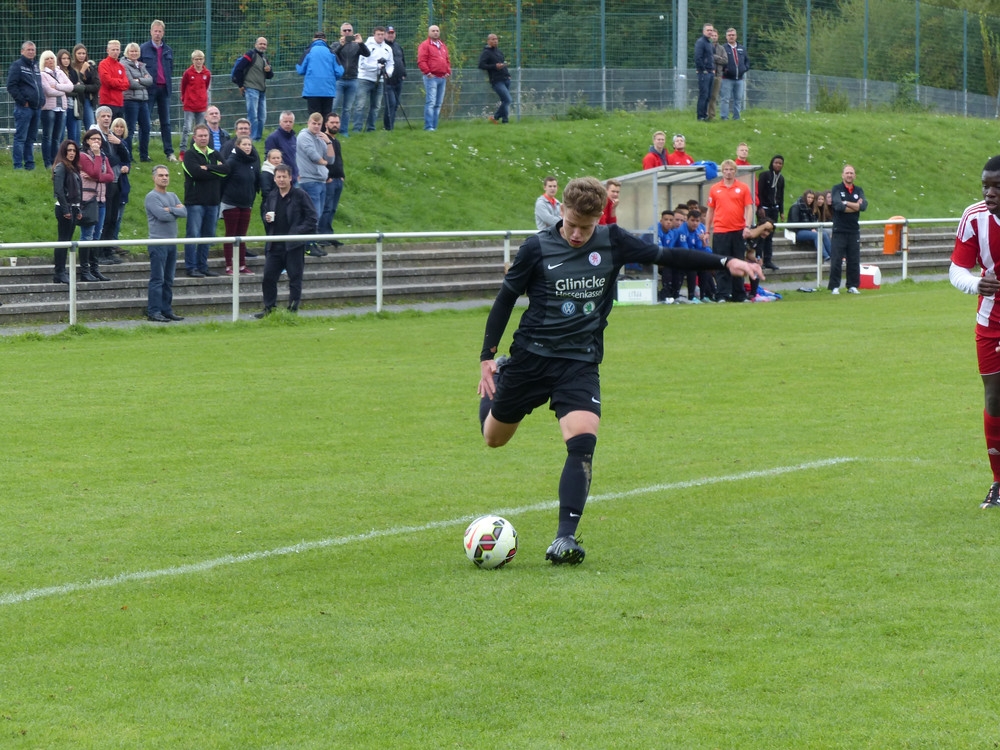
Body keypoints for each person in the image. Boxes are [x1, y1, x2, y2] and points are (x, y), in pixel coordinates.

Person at [476, 176, 762, 565]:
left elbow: (667, 256)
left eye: (586, 227)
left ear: (599, 218)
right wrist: (488, 356)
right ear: (562, 211)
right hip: (531, 358)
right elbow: (506, 298)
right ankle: (501, 377)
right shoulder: (536, 248)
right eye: (572, 224)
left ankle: (564, 538)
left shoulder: (612, 241)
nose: (577, 234)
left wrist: (725, 261)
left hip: (579, 362)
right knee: (494, 439)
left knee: (583, 440)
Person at [950, 155, 1000, 508]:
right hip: (991, 320)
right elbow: (957, 269)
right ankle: (999, 482)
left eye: (997, 187)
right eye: (985, 186)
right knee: (995, 397)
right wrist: (976, 284)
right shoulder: (974, 217)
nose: (989, 192)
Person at [256, 164, 318, 316]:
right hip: (274, 245)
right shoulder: (272, 196)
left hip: (293, 246)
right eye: (278, 177)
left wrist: (296, 232)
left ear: (290, 178)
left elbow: (312, 218)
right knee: (268, 278)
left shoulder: (300, 195)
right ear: (274, 179)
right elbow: (265, 214)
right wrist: (266, 219)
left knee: (295, 278)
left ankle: (292, 310)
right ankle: (269, 308)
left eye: (284, 176)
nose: (281, 179)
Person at [183, 123, 229, 277]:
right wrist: (215, 169)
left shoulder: (215, 153)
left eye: (205, 135)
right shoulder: (189, 155)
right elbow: (196, 173)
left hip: (213, 201)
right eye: (200, 136)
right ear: (194, 137)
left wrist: (208, 167)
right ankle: (191, 267)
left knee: (207, 235)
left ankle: (203, 266)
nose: (203, 138)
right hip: (195, 202)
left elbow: (226, 170)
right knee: (193, 235)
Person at [705, 159, 755, 302]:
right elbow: (710, 210)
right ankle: (722, 294)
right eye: (726, 170)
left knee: (738, 262)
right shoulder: (715, 188)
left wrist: (747, 226)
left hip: (738, 230)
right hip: (720, 231)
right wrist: (707, 231)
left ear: (735, 171)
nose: (728, 172)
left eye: (731, 169)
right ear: (722, 172)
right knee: (722, 263)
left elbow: (749, 208)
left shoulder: (743, 188)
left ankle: (739, 295)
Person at [144, 164, 187, 322]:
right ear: (154, 178)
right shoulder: (151, 197)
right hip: (158, 242)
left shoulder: (172, 195)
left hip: (172, 242)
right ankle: (154, 311)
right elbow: (162, 216)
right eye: (161, 175)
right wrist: (174, 210)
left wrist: (170, 209)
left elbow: (184, 212)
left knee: (169, 279)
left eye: (166, 175)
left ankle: (166, 309)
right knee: (158, 278)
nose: (164, 178)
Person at [77, 128, 114, 281]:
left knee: (96, 236)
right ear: (87, 141)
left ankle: (94, 269)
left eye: (99, 139)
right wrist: (97, 157)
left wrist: (97, 177)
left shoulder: (104, 156)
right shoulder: (83, 156)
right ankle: (84, 271)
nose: (97, 142)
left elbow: (110, 176)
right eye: (93, 139)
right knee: (87, 235)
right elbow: (94, 172)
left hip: (101, 200)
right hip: (88, 200)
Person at [296, 111, 334, 256]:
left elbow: (331, 159)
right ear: (308, 123)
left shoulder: (320, 137)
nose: (316, 126)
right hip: (309, 181)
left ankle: (313, 242)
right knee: (313, 214)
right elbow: (314, 156)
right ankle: (308, 244)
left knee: (318, 214)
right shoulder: (304, 136)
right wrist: (323, 162)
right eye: (314, 123)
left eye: (319, 124)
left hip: (321, 181)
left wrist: (328, 141)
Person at [221, 135, 259, 275]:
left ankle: (242, 265)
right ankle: (229, 265)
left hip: (246, 204)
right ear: (238, 146)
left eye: (249, 144)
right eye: (244, 144)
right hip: (231, 203)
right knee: (231, 235)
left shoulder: (251, 162)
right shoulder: (231, 162)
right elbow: (223, 181)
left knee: (242, 236)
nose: (248, 147)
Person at [139, 20, 176, 161]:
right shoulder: (143, 49)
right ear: (151, 32)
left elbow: (170, 68)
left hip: (164, 89)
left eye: (160, 31)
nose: (157, 34)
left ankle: (169, 153)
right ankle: (144, 153)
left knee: (166, 122)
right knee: (145, 122)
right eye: (155, 31)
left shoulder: (168, 50)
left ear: (163, 33)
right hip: (149, 90)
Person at [829, 164, 868, 294]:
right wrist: (855, 206)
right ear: (842, 175)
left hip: (853, 230)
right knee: (836, 260)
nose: (849, 175)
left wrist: (846, 203)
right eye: (847, 173)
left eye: (851, 173)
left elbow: (863, 206)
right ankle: (834, 286)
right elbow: (838, 206)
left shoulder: (859, 190)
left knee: (854, 260)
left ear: (855, 175)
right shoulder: (836, 189)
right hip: (839, 230)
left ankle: (852, 285)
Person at [7, 41, 43, 170]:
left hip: (36, 107)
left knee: (31, 138)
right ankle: (18, 165)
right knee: (20, 137)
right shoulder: (17, 66)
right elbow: (11, 86)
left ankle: (30, 165)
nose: (31, 52)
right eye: (28, 50)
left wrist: (42, 101)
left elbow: (39, 86)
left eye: (33, 50)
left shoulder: (36, 66)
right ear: (22, 51)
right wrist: (23, 101)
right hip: (24, 108)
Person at [52, 139, 83, 284]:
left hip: (73, 207)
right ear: (63, 152)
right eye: (69, 150)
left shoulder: (74, 167)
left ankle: (61, 271)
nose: (72, 153)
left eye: (74, 150)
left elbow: (78, 191)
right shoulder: (61, 167)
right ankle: (59, 271)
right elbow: (58, 190)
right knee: (63, 240)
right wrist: (66, 209)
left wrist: (78, 208)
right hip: (65, 207)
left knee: (67, 240)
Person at [331, 23, 370, 137]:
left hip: (353, 79)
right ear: (341, 32)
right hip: (339, 80)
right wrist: (341, 45)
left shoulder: (356, 45)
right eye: (345, 30)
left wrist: (361, 43)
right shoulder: (336, 44)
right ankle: (329, 130)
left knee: (347, 108)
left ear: (352, 32)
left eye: (349, 30)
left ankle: (344, 131)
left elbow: (367, 54)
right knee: (333, 106)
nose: (347, 32)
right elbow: (331, 56)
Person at [353, 27, 393, 134]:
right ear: (374, 35)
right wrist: (377, 67)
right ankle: (357, 128)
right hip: (364, 79)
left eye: (382, 34)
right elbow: (362, 64)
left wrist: (388, 73)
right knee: (360, 105)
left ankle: (371, 128)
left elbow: (391, 63)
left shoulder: (388, 48)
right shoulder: (367, 46)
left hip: (380, 80)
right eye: (378, 34)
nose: (380, 36)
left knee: (376, 106)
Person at [232, 37, 272, 141]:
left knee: (262, 117)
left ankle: (258, 138)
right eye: (260, 44)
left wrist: (269, 70)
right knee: (252, 115)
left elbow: (270, 76)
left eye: (264, 44)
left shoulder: (264, 58)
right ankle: (251, 138)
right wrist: (241, 85)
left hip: (262, 90)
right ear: (255, 45)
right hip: (250, 89)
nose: (262, 46)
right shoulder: (250, 55)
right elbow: (238, 70)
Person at [39, 50, 73, 169]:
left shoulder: (60, 72)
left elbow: (70, 87)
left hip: (61, 109)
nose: (50, 61)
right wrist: (63, 91)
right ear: (43, 61)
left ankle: (56, 161)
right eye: (47, 59)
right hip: (49, 109)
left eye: (52, 58)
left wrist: (58, 86)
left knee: (57, 137)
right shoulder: (42, 74)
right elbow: (48, 91)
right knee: (47, 136)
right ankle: (47, 162)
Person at [296, 31, 342, 119]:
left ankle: (315, 129)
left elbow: (300, 69)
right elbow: (340, 71)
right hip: (328, 90)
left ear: (313, 39)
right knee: (326, 117)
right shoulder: (331, 52)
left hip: (312, 90)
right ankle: (325, 129)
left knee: (315, 118)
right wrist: (331, 79)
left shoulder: (308, 51)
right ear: (325, 40)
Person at [121, 42, 152, 161]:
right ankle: (128, 156)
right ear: (127, 52)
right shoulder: (124, 65)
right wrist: (143, 81)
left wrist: (138, 80)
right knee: (130, 129)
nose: (134, 53)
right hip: (130, 100)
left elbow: (150, 80)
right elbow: (130, 83)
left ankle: (144, 155)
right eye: (132, 51)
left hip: (143, 100)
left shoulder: (141, 65)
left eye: (136, 51)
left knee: (146, 128)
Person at [319, 112, 345, 247]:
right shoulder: (323, 140)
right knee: (326, 208)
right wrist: (327, 177)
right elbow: (321, 159)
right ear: (326, 124)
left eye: (337, 122)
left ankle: (329, 234)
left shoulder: (336, 141)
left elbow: (339, 159)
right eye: (332, 122)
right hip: (328, 181)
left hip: (338, 180)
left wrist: (342, 176)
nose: (335, 125)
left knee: (333, 209)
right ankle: (322, 235)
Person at [417, 25, 451, 131]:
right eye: (433, 31)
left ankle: (434, 126)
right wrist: (428, 72)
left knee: (438, 103)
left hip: (442, 77)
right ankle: (428, 126)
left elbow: (447, 60)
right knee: (431, 102)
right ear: (429, 32)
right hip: (431, 77)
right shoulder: (425, 45)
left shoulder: (442, 45)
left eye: (437, 31)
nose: (435, 32)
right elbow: (421, 61)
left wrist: (448, 71)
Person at [179, 49, 210, 158]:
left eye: (200, 59)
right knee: (187, 128)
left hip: (201, 106)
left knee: (200, 130)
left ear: (204, 60)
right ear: (193, 60)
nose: (198, 61)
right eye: (196, 59)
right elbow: (183, 86)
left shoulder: (207, 73)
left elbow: (206, 86)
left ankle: (197, 151)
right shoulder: (188, 73)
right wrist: (184, 98)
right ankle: (183, 151)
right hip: (189, 105)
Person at [756, 154, 784, 269]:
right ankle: (758, 259)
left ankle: (768, 260)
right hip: (764, 209)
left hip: (774, 210)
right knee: (761, 235)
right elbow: (759, 192)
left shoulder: (781, 178)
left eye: (780, 163)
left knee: (770, 236)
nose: (778, 165)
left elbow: (781, 195)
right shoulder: (764, 175)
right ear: (772, 163)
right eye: (776, 163)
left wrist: (781, 211)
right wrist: (759, 207)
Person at [788, 190, 831, 260]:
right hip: (797, 231)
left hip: (808, 229)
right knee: (817, 235)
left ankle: (833, 255)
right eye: (809, 197)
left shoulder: (810, 207)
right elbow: (794, 224)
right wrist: (810, 229)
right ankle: (825, 256)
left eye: (812, 198)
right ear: (805, 197)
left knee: (824, 234)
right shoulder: (796, 207)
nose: (810, 200)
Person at [479, 33, 511, 125]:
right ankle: (495, 117)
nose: (495, 41)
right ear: (488, 41)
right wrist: (494, 66)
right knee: (508, 100)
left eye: (496, 39)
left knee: (504, 100)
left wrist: (508, 74)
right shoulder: (486, 52)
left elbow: (502, 63)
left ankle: (505, 120)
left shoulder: (499, 52)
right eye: (493, 39)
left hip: (506, 78)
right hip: (496, 80)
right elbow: (481, 65)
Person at [719, 28, 749, 121]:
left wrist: (744, 69)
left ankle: (737, 117)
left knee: (738, 99)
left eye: (733, 35)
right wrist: (725, 70)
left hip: (739, 79)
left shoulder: (742, 48)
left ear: (736, 36)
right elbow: (720, 61)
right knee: (725, 99)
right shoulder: (723, 48)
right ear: (726, 37)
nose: (731, 37)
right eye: (729, 35)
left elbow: (747, 61)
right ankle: (724, 117)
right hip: (727, 78)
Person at [68, 44, 99, 134]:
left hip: (88, 100)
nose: (81, 55)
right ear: (74, 54)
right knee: (76, 130)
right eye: (79, 53)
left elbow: (97, 85)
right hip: (76, 101)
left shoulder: (91, 67)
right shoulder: (70, 68)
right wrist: (82, 71)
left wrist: (84, 88)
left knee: (91, 127)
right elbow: (74, 84)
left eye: (83, 53)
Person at [97, 40, 130, 120]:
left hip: (119, 102)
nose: (115, 52)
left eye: (117, 49)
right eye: (113, 50)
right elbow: (108, 82)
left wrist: (115, 81)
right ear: (107, 51)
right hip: (107, 102)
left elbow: (126, 84)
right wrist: (120, 81)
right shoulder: (103, 64)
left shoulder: (121, 66)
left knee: (119, 126)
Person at [382, 26, 406, 131]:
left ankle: (391, 125)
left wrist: (404, 73)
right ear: (385, 34)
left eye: (392, 33)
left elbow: (402, 60)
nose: (391, 35)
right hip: (388, 81)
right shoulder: (383, 47)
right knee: (390, 103)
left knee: (395, 104)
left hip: (399, 80)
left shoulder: (397, 46)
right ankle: (388, 127)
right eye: (389, 33)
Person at [264, 110, 298, 182]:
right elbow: (268, 159)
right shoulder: (273, 138)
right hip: (281, 178)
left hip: (294, 176)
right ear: (280, 122)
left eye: (290, 122)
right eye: (285, 121)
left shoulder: (294, 138)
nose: (288, 124)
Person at [56, 50, 77, 143]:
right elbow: (58, 88)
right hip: (61, 106)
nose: (66, 60)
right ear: (59, 60)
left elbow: (79, 88)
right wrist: (71, 88)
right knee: (60, 133)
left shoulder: (73, 72)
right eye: (63, 58)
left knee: (73, 133)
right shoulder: (57, 72)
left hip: (73, 105)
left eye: (68, 58)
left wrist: (69, 88)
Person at [694, 23, 714, 122]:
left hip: (710, 72)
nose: (710, 32)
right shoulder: (701, 42)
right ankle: (700, 116)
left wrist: (712, 69)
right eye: (708, 30)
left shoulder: (709, 43)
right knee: (703, 95)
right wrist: (704, 70)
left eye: (711, 30)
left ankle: (705, 115)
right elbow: (698, 58)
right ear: (703, 31)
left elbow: (711, 58)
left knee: (708, 95)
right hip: (704, 73)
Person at [708, 28, 726, 121]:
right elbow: (707, 58)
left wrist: (714, 57)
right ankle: (704, 115)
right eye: (712, 36)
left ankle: (712, 115)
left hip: (718, 75)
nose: (714, 37)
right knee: (706, 95)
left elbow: (725, 60)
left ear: (718, 36)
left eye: (715, 35)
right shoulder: (706, 46)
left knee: (714, 96)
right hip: (708, 74)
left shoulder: (721, 48)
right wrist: (718, 58)